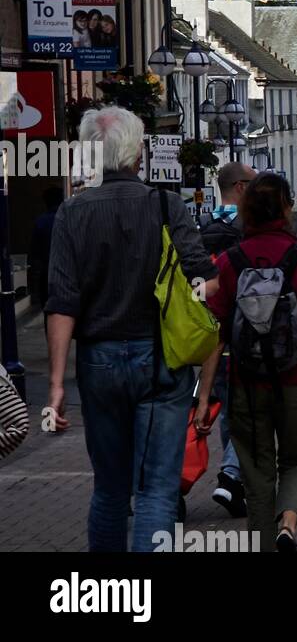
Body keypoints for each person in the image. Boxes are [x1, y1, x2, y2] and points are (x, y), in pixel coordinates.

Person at [44, 107, 214, 553]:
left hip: (98, 361)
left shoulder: (72, 213)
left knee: (109, 489)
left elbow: (62, 303)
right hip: (159, 358)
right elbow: (203, 279)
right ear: (137, 153)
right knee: (157, 490)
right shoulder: (166, 205)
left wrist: (57, 383)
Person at [197, 171, 297, 552]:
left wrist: (206, 395)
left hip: (247, 383)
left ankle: (262, 544)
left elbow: (215, 333)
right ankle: (287, 525)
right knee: (296, 461)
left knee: (257, 474)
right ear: (287, 209)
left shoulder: (228, 263)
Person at [200, 162, 253, 518]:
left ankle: (232, 484)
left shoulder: (201, 227)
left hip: (207, 336)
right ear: (240, 186)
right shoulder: (246, 230)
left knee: (223, 409)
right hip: (242, 333)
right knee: (245, 413)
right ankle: (232, 477)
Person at [27, 185, 62, 310]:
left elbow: (34, 252)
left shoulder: (41, 221)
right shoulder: (69, 216)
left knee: (49, 310)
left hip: (47, 273)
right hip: (68, 273)